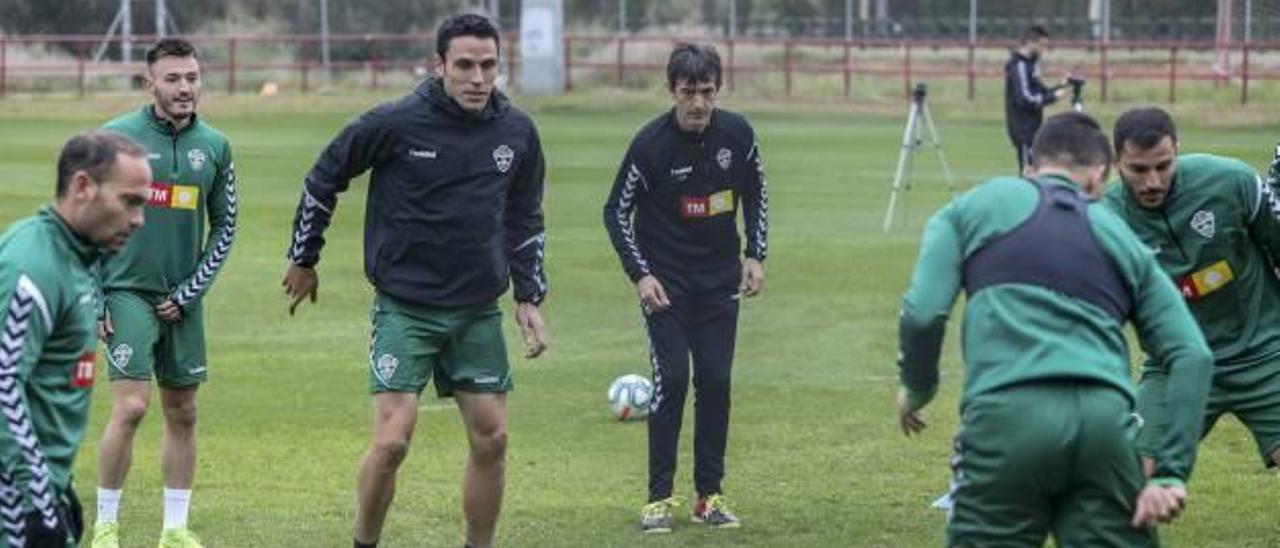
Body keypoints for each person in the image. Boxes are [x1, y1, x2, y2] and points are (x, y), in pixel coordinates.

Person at [280, 13, 549, 548]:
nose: (478, 78)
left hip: (476, 310)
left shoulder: (516, 131)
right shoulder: (396, 122)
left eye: (488, 65)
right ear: (439, 65)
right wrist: (303, 257)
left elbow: (526, 213)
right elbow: (324, 177)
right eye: (466, 65)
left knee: (493, 439)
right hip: (406, 306)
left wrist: (529, 294)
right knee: (393, 442)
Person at [897, 111, 1213, 546]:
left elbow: (923, 313)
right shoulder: (1121, 238)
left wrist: (917, 389)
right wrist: (1171, 473)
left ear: (1031, 167)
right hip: (1106, 426)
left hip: (1006, 417)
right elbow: (1192, 355)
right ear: (1099, 177)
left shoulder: (968, 210)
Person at [602, 43, 769, 534]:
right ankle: (657, 500)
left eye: (707, 92)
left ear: (719, 89)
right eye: (689, 92)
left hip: (720, 283)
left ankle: (709, 496)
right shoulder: (649, 145)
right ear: (672, 90)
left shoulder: (737, 134)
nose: (699, 103)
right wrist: (641, 274)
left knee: (715, 382)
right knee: (672, 382)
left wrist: (756, 254)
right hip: (666, 287)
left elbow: (757, 191)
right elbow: (615, 211)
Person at [92, 38, 238, 548]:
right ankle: (105, 525)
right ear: (148, 81)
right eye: (173, 78)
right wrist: (93, 294)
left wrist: (191, 290)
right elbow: (80, 220)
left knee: (184, 411)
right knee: (131, 407)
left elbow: (225, 225)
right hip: (125, 291)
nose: (185, 88)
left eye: (192, 78)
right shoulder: (113, 139)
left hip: (184, 298)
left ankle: (175, 529)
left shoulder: (215, 146)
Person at [1102, 107, 1280, 479]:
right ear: (1116, 161)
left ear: (1177, 151)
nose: (1153, 181)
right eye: (1138, 169)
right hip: (1174, 365)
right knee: (1126, 479)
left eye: (1163, 165)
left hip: (1266, 356)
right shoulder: (1105, 220)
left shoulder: (1232, 181)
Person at [0, 130, 151, 547]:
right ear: (83, 187)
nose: (139, 219)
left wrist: (58, 491)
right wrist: (38, 503)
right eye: (130, 201)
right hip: (14, 503)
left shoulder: (78, 257)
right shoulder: (33, 266)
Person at [1004, 25, 1068, 174]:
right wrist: (1052, 97)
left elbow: (1041, 90)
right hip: (1023, 129)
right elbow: (1025, 98)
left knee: (1036, 169)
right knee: (1028, 171)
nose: (1043, 51)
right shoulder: (1019, 66)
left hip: (1033, 127)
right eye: (1042, 46)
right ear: (1030, 42)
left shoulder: (1030, 65)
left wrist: (1061, 86)